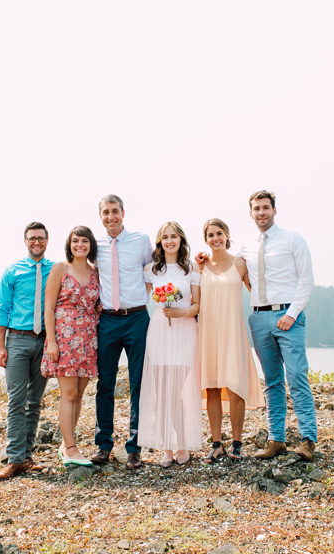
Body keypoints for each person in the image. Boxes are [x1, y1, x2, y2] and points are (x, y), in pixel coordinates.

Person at [239, 190, 318, 460]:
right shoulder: (246, 245)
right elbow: (233, 270)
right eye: (256, 208)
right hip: (259, 318)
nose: (261, 212)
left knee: (296, 376)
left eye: (265, 207)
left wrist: (292, 314)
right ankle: (276, 440)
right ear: (250, 213)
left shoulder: (293, 239)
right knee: (272, 381)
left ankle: (308, 440)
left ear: (274, 210)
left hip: (288, 316)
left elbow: (306, 279)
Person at [92, 195, 154, 470]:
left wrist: (142, 298)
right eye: (106, 212)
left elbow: (153, 272)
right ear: (100, 216)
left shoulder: (141, 240)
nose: (111, 216)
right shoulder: (94, 245)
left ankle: (134, 448)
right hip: (107, 320)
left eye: (115, 211)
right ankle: (103, 445)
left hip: (137, 318)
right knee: (105, 383)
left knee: (138, 382)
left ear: (123, 213)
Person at [197, 218, 264, 463]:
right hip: (207, 332)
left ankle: (237, 444)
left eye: (219, 233)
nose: (215, 238)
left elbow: (257, 291)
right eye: (210, 235)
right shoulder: (200, 266)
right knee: (212, 388)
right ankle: (216, 444)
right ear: (206, 239)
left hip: (233, 332)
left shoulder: (240, 264)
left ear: (227, 235)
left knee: (236, 387)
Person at [0, 222, 54, 481]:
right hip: (17, 340)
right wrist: (0, 346)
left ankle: (27, 456)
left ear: (47, 240)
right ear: (25, 241)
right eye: (32, 238)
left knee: (35, 401)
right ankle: (14, 459)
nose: (36, 242)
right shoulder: (12, 271)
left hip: (45, 342)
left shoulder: (56, 270)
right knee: (16, 400)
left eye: (40, 238)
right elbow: (2, 308)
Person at [138, 222, 202, 466]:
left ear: (181, 240)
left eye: (174, 236)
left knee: (175, 392)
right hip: (159, 331)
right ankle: (166, 448)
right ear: (159, 242)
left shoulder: (191, 268)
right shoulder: (151, 269)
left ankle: (182, 444)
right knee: (161, 392)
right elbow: (139, 297)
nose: (169, 241)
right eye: (165, 237)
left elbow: (197, 304)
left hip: (184, 330)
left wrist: (183, 313)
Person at [40, 226, 100, 466]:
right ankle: (71, 450)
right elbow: (48, 307)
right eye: (75, 241)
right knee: (69, 393)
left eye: (84, 241)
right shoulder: (60, 269)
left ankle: (66, 445)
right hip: (65, 338)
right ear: (69, 245)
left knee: (80, 394)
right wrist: (52, 341)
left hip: (89, 339)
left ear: (91, 245)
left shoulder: (95, 272)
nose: (80, 245)